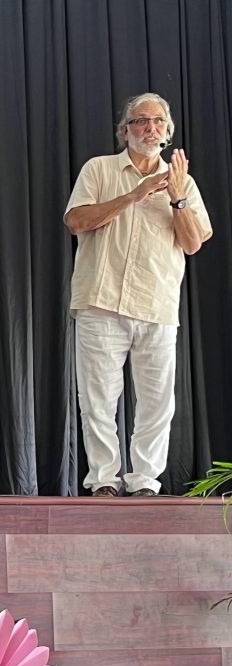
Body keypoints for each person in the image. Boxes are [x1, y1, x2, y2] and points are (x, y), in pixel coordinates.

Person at [64, 92, 212, 497]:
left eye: (159, 121)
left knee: (157, 403)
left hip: (156, 303)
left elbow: (193, 243)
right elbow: (76, 221)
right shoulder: (99, 169)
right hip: (101, 301)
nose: (151, 127)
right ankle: (103, 480)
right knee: (97, 401)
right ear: (124, 131)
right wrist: (135, 194)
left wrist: (177, 198)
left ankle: (145, 482)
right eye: (141, 121)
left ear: (168, 132)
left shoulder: (184, 183)